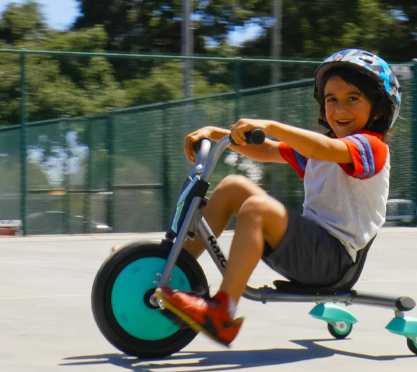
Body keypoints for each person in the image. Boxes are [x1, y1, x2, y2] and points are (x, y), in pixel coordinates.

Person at [156, 48, 402, 347]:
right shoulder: (321, 148)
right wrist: (218, 134)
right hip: (310, 249)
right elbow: (266, 149)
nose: (340, 109)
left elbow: (324, 150)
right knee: (233, 185)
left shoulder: (371, 146)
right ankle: (167, 269)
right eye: (331, 99)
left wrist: (270, 125)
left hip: (334, 262)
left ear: (378, 110)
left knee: (258, 208)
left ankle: (223, 313)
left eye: (353, 98)